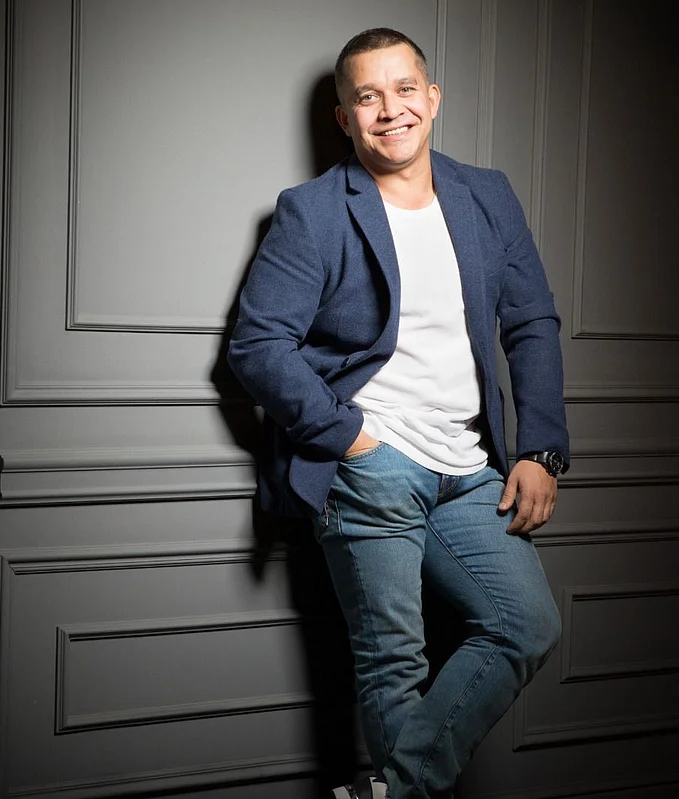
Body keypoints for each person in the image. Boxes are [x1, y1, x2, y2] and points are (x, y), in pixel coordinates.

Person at [227, 28, 570, 799]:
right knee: (393, 664)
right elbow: (257, 345)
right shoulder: (313, 211)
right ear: (345, 117)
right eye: (368, 97)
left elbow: (532, 322)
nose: (391, 110)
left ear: (432, 98)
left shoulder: (488, 195)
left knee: (526, 623)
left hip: (471, 468)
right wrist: (352, 438)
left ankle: (383, 792)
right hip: (371, 467)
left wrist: (539, 450)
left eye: (405, 89)